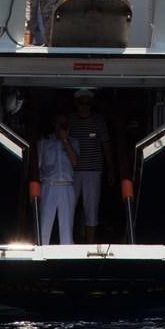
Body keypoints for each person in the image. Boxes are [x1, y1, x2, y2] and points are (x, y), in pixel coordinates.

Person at [69, 88, 112, 244]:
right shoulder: (71, 120)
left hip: (93, 171)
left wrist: (111, 168)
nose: (84, 105)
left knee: (91, 209)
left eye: (87, 103)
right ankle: (67, 241)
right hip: (73, 172)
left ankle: (90, 243)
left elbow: (105, 145)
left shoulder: (98, 121)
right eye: (82, 102)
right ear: (76, 103)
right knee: (69, 207)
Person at [36, 112, 77, 245]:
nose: (61, 126)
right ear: (54, 124)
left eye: (63, 124)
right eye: (59, 123)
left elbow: (75, 162)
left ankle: (67, 257)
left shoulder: (73, 142)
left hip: (67, 186)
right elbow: (38, 166)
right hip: (49, 185)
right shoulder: (44, 142)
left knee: (67, 228)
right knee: (44, 226)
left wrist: (65, 141)